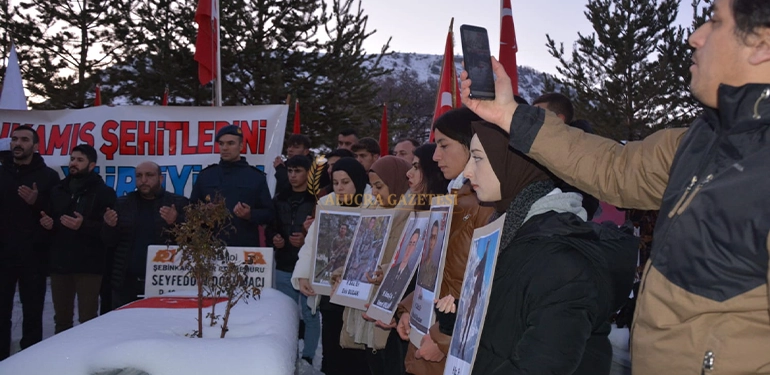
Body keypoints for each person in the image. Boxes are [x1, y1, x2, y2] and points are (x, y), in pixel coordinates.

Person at [460, 1, 770, 373]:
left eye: (716, 22)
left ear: (762, 45)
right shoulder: (700, 142)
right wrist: (509, 114)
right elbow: (615, 168)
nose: (694, 36)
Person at [434, 122, 637, 374]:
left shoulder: (559, 257)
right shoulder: (508, 229)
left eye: (477, 159)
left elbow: (541, 363)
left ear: (512, 162)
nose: (467, 172)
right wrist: (457, 317)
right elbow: (508, 325)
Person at [396, 108, 495, 375]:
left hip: (451, 346)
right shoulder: (450, 200)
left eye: (443, 145)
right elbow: (435, 272)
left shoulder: (484, 205)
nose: (436, 155)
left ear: (471, 143)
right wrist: (409, 309)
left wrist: (443, 338)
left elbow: (478, 286)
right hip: (428, 332)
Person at [292, 157, 370, 375]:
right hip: (330, 292)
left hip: (360, 294)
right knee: (332, 350)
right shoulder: (328, 203)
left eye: (345, 182)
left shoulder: (375, 204)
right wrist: (304, 275)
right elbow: (312, 245)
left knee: (357, 354)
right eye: (335, 183)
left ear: (357, 180)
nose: (340, 188)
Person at [337, 155, 413, 375]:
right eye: (372, 187)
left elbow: (411, 260)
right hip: (366, 303)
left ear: (397, 182)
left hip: (392, 308)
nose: (374, 193)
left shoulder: (412, 214)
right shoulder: (371, 212)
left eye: (379, 186)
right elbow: (357, 254)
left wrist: (385, 269)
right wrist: (340, 275)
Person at [40, 144, 117, 334]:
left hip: (89, 266)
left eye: (79, 160)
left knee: (88, 320)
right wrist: (48, 224)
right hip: (60, 264)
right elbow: (50, 218)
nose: (73, 163)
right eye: (72, 159)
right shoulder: (58, 189)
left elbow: (108, 232)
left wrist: (83, 225)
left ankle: (84, 360)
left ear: (91, 166)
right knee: (62, 320)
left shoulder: (104, 192)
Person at [0, 126, 60, 360]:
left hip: (34, 256)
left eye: (24, 140)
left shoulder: (48, 177)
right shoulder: (2, 173)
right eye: (15, 139)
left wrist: (37, 202)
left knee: (33, 313)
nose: (18, 143)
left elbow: (56, 215)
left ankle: (28, 361)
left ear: (35, 147)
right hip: (3, 255)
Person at [102, 161, 188, 309]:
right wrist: (109, 226)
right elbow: (109, 242)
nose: (143, 180)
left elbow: (191, 241)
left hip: (165, 282)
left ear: (161, 179)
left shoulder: (178, 203)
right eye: (139, 176)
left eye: (149, 175)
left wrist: (176, 221)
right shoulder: (123, 203)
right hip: (126, 282)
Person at [269, 155, 320, 365]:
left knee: (309, 314)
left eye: (297, 171)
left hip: (308, 268)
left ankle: (308, 356)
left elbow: (327, 233)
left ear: (308, 173)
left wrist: (307, 238)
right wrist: (275, 238)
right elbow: (271, 223)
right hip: (284, 263)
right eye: (289, 171)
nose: (292, 175)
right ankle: (287, 355)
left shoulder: (317, 199)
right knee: (285, 316)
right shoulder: (280, 197)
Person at [190, 125, 274, 247]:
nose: (225, 148)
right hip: (209, 249)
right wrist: (204, 211)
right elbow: (191, 209)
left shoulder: (256, 177)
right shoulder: (206, 175)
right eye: (221, 143)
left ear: (241, 146)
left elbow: (269, 214)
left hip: (244, 249)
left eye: (230, 143)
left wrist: (250, 214)